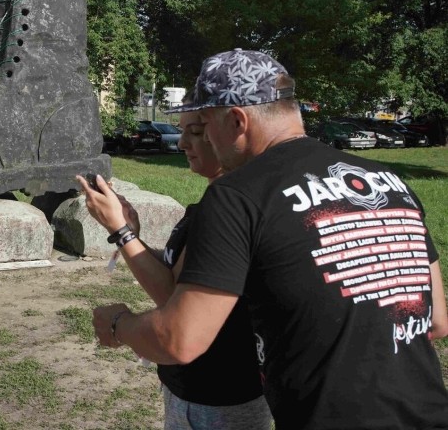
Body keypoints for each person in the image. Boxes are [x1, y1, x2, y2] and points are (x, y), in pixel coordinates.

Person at [78, 49, 448, 430]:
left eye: (205, 123)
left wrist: (118, 323)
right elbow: (435, 320)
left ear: (237, 120)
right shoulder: (389, 182)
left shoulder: (239, 195)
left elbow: (179, 340)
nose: (199, 139)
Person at [99, 103, 271, 429]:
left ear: (231, 130)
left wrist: (121, 234)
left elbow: (171, 296)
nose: (181, 143)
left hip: (217, 395)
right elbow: (180, 278)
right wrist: (131, 235)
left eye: (194, 132)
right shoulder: (216, 202)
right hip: (198, 390)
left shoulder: (228, 212)